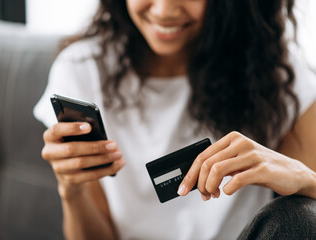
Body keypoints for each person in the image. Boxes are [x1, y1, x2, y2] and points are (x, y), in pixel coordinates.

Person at [34, 0, 316, 239]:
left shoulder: (279, 74)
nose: (164, 10)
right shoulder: (83, 70)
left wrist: (307, 180)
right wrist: (71, 189)